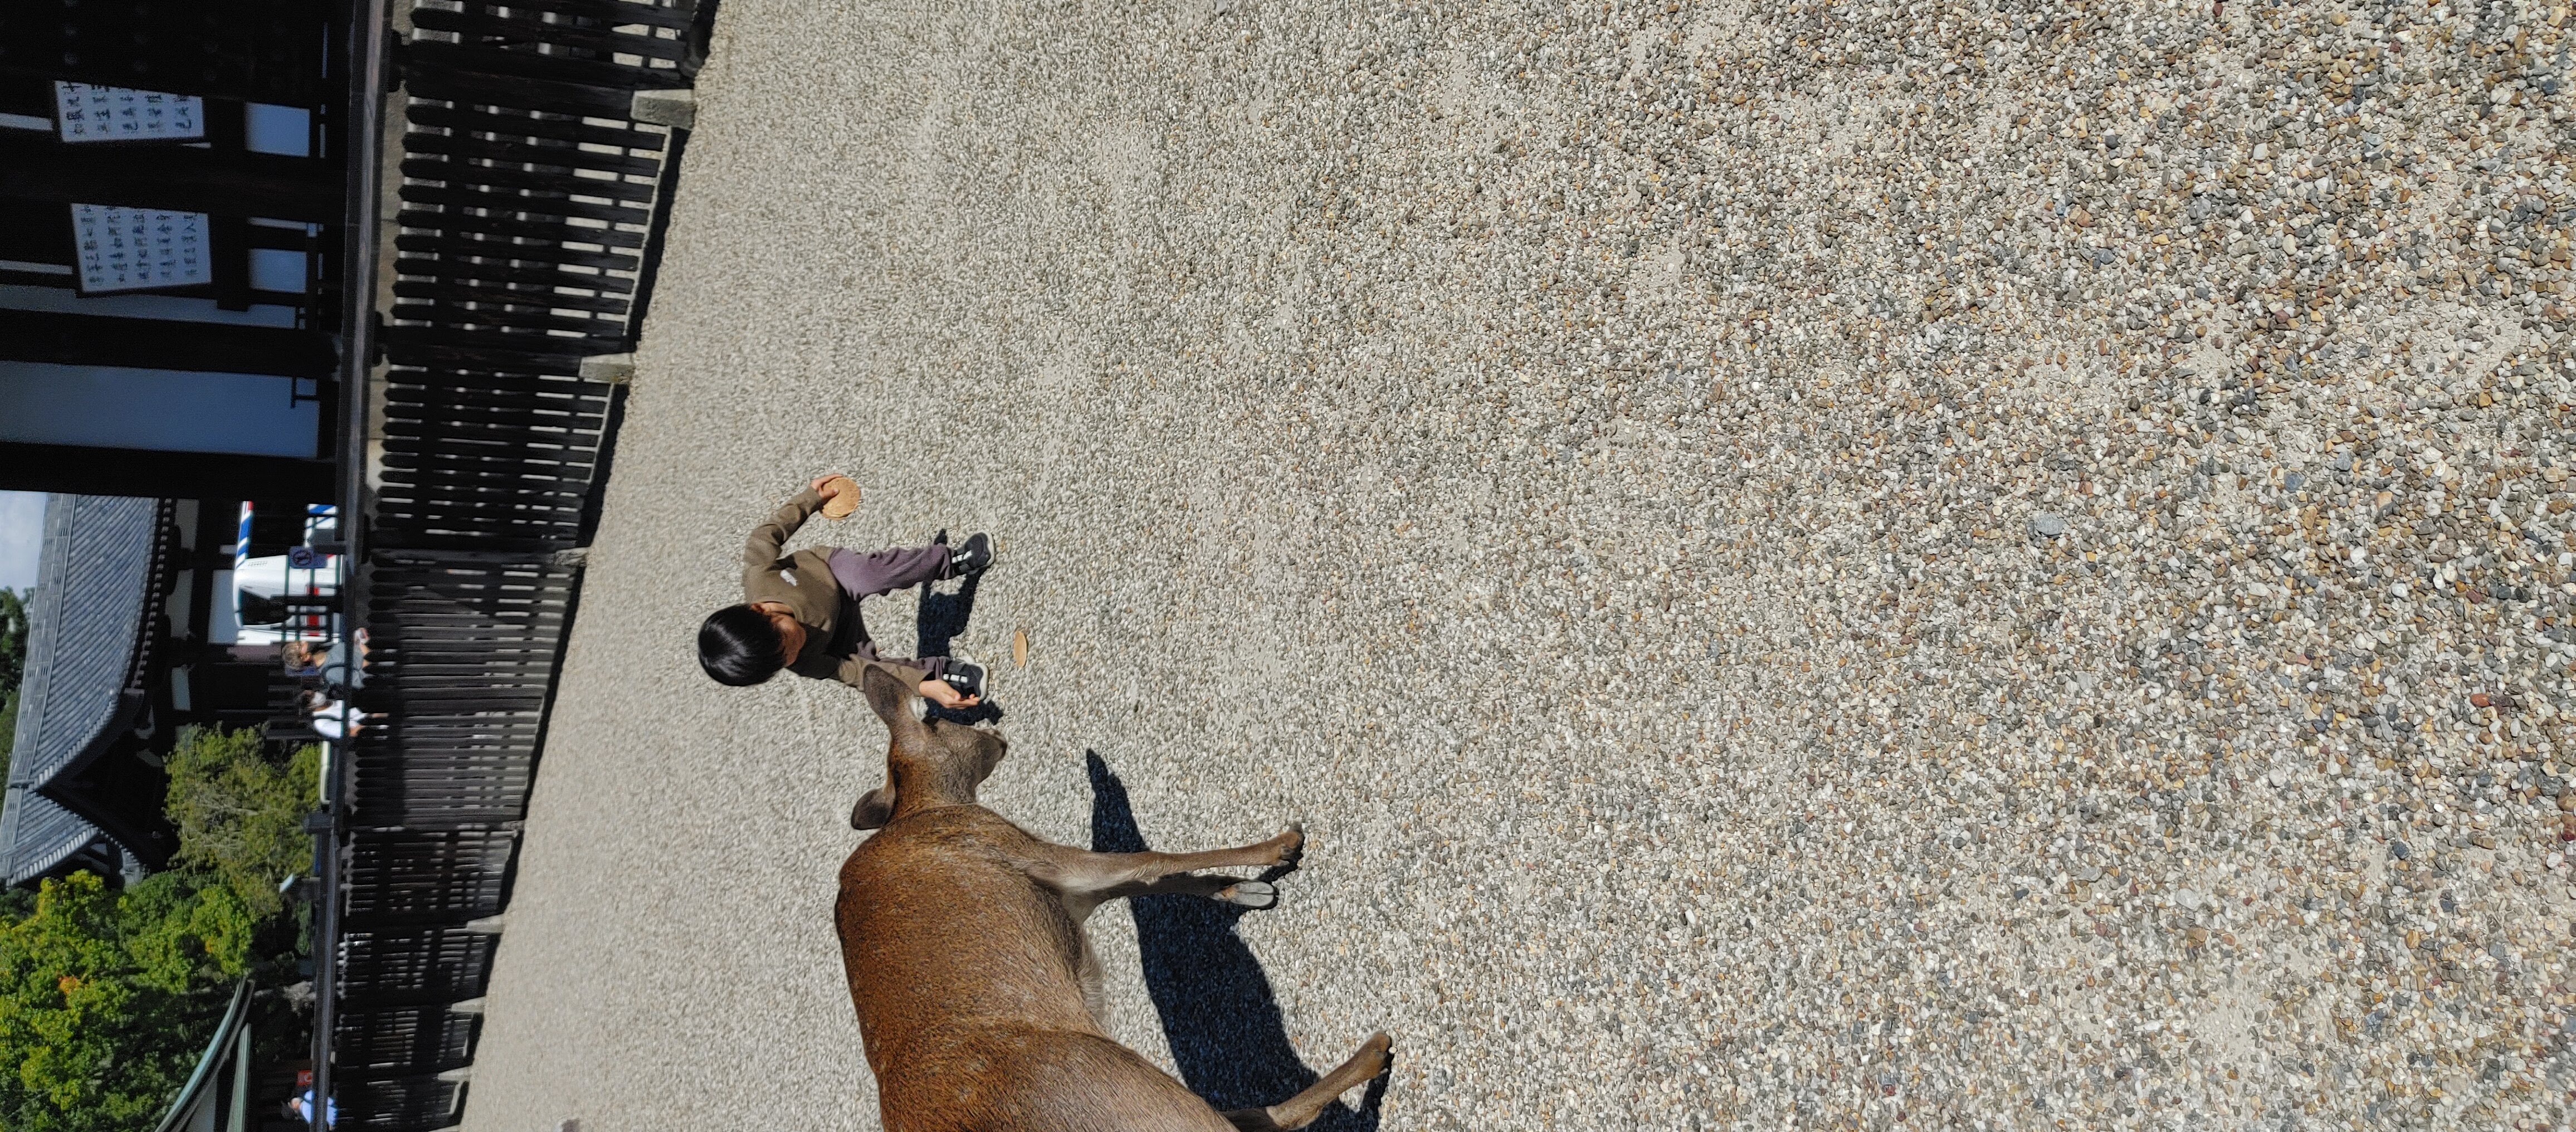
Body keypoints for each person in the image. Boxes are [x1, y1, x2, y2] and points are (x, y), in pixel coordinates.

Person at [697, 475, 993, 706]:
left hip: (831, 573)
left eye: (786, 639)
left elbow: (766, 533)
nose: (795, 647)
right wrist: (923, 685)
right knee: (874, 672)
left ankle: (949, 561)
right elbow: (860, 675)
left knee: (869, 575)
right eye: (785, 659)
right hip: (840, 636)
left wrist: (811, 498)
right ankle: (940, 674)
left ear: (760, 610)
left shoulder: (759, 576)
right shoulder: (805, 662)